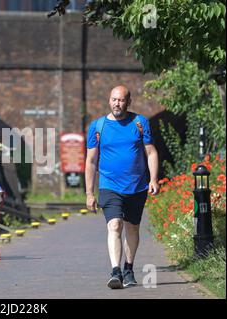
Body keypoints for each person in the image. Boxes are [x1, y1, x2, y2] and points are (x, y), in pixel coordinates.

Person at [85, 85, 160, 289]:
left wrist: (153, 179)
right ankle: (115, 271)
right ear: (109, 101)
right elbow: (91, 161)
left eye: (121, 100)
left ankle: (128, 268)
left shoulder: (139, 123)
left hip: (137, 185)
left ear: (129, 102)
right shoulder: (97, 126)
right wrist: (89, 193)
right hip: (109, 185)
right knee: (115, 224)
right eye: (113, 99)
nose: (117, 103)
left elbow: (151, 152)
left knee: (132, 227)